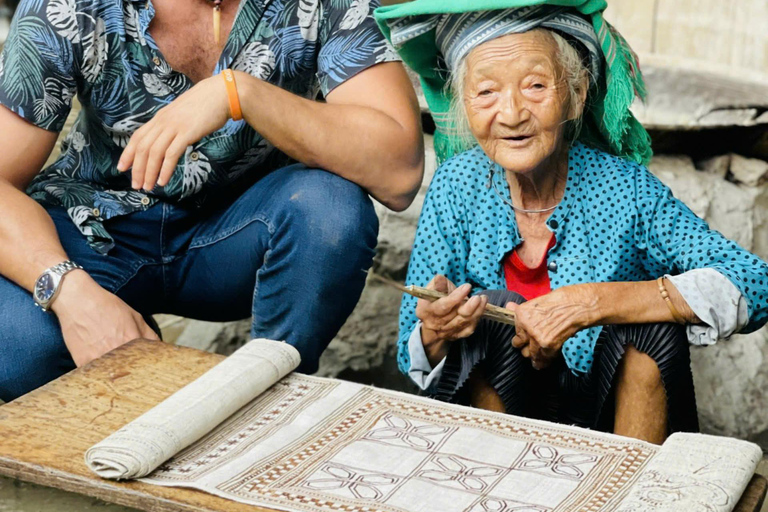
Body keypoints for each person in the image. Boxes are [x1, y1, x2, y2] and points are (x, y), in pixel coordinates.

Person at [374, 0, 768, 443]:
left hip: (609, 416)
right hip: (501, 416)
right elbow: (414, 346)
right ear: (465, 105)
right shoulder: (457, 184)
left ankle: (632, 493)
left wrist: (594, 303)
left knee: (653, 329)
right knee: (489, 311)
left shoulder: (624, 188)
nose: (511, 113)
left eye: (536, 85)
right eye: (486, 92)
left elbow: (755, 282)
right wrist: (437, 330)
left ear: (576, 95)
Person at [0, 0, 424, 402]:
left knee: (331, 209)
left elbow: (399, 172)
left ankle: (266, 401)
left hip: (243, 232)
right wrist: (71, 295)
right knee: (23, 348)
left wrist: (240, 94)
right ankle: (143, 421)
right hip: (94, 230)